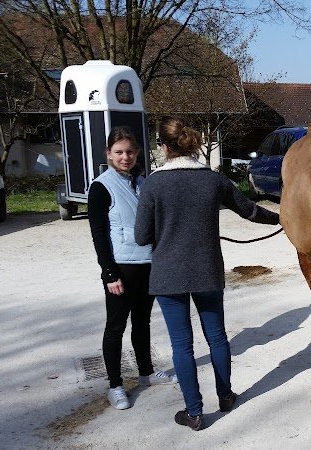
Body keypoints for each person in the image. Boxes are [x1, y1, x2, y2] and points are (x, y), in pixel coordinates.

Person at [134, 116, 279, 431]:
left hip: (169, 275)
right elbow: (250, 210)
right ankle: (225, 396)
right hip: (207, 270)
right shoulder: (213, 180)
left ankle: (195, 412)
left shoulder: (153, 183)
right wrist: (283, 219)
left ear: (163, 146)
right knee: (217, 337)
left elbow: (141, 236)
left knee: (182, 345)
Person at [88, 126, 178, 411]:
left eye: (129, 151)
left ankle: (146, 372)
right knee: (116, 327)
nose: (125, 157)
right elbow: (99, 234)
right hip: (122, 268)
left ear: (137, 152)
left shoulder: (142, 182)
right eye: (119, 152)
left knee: (142, 322)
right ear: (108, 154)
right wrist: (109, 272)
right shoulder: (101, 187)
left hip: (147, 264)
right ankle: (115, 385)